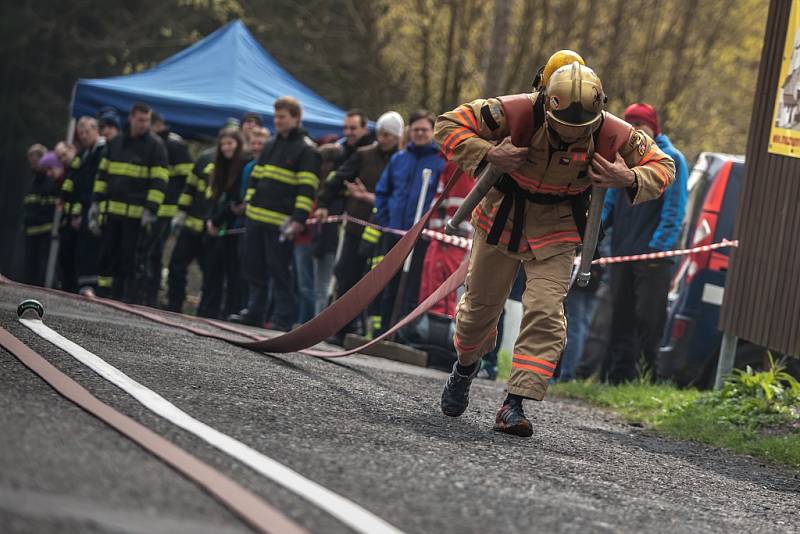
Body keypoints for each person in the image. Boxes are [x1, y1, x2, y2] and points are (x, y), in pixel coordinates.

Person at [434, 51, 675, 437]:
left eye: (582, 125)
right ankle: (464, 368)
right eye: (563, 124)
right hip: (502, 218)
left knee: (546, 312)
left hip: (559, 227)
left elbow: (664, 166)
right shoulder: (511, 112)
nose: (572, 133)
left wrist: (627, 176)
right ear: (546, 101)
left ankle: (514, 403)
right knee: (478, 311)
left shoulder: (614, 133)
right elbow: (448, 125)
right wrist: (488, 152)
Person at [602, 103, 688, 383]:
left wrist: (657, 249)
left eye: (641, 125)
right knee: (620, 318)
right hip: (622, 256)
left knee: (649, 322)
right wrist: (591, 232)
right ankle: (618, 380)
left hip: (653, 259)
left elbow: (674, 212)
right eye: (632, 125)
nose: (637, 131)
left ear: (654, 127)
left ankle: (650, 379)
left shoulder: (671, 159)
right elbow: (609, 206)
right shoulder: (623, 161)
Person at [229, 96, 321, 330]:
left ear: (296, 118)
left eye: (282, 117)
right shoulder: (270, 145)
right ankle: (255, 311)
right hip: (256, 219)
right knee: (253, 266)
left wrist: (298, 219)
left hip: (281, 223)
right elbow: (256, 178)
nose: (277, 121)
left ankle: (283, 317)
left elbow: (307, 188)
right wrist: (248, 203)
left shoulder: (306, 150)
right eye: (276, 116)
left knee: (280, 270)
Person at [316, 111, 405, 340]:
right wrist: (324, 203)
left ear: (397, 137)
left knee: (372, 280)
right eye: (381, 133)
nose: (384, 138)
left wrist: (372, 198)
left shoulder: (401, 159)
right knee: (347, 275)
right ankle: (337, 326)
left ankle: (363, 328)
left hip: (383, 229)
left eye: (389, 135)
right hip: (357, 226)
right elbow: (337, 178)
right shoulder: (363, 155)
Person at [90, 102, 169, 301]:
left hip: (136, 217)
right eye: (141, 120)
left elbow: (159, 181)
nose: (144, 125)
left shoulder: (155, 146)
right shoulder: (116, 143)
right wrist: (96, 203)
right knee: (107, 257)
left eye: (147, 121)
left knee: (131, 261)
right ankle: (103, 296)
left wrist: (150, 210)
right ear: (131, 118)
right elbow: (102, 175)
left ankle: (127, 301)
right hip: (112, 214)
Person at [374, 109, 445, 332]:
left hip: (422, 236)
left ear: (433, 132)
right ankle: (382, 329)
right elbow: (382, 191)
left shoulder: (441, 161)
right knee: (389, 282)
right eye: (416, 130)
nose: (420, 134)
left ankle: (404, 332)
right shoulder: (399, 158)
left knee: (412, 284)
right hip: (394, 232)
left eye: (424, 130)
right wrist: (387, 220)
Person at [312, 109, 374, 314]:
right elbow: (335, 179)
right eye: (345, 128)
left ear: (365, 128)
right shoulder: (342, 151)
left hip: (370, 219)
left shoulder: (368, 152)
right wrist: (323, 203)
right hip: (349, 220)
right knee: (342, 271)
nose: (348, 132)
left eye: (353, 128)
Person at [133, 111, 194, 306]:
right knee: (146, 251)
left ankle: (150, 294)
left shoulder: (174, 145)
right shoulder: (149, 144)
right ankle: (143, 292)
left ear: (157, 125)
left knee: (154, 252)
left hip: (166, 208)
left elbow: (186, 178)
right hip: (151, 207)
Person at [198, 128, 248, 319]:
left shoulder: (242, 166)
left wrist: (216, 220)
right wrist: (210, 220)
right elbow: (215, 198)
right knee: (212, 271)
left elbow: (234, 201)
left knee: (232, 273)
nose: (226, 148)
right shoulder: (218, 168)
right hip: (217, 225)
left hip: (231, 227)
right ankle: (207, 311)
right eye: (223, 144)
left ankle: (228, 311)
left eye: (230, 143)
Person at [59, 117, 106, 293]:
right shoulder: (86, 153)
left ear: (96, 130)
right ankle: (78, 286)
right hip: (82, 207)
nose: (84, 136)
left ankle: (89, 287)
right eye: (81, 133)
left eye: (87, 132)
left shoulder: (102, 151)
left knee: (90, 248)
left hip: (93, 207)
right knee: (77, 250)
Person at [167, 148, 213, 313]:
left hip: (211, 233)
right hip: (192, 227)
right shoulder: (205, 157)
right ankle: (174, 306)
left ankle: (205, 312)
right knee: (176, 267)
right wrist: (181, 212)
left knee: (210, 275)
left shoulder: (235, 162)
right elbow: (190, 188)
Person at [23, 151, 61, 286]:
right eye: (31, 162)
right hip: (31, 230)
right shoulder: (33, 181)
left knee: (44, 265)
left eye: (36, 162)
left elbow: (51, 205)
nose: (33, 165)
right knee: (30, 266)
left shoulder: (50, 182)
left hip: (45, 231)